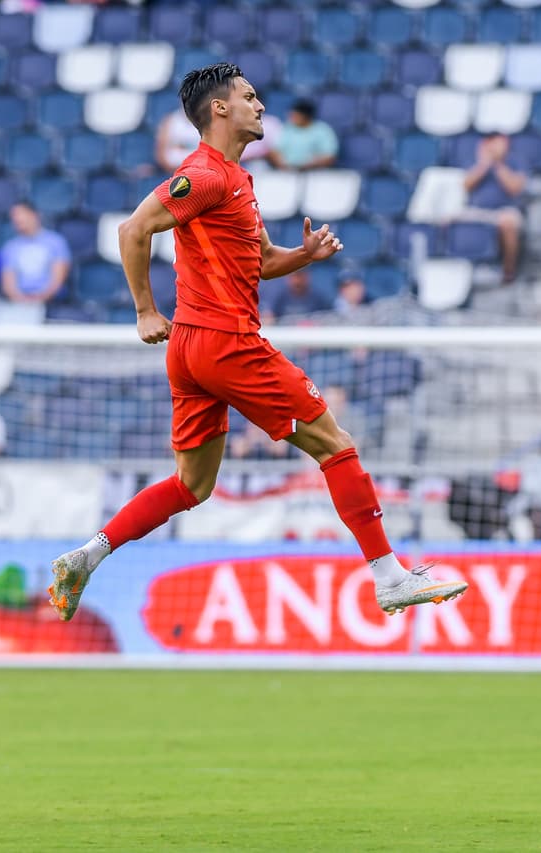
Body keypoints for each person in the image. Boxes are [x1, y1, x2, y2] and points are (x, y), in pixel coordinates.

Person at [48, 63, 466, 621]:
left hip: (193, 350)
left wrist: (304, 256)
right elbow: (133, 229)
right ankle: (389, 577)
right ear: (219, 108)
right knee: (334, 442)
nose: (261, 105)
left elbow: (264, 262)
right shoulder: (204, 175)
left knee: (192, 485)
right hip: (227, 342)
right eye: (249, 96)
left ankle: (86, 554)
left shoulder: (235, 179)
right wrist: (146, 309)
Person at [457, 133, 527, 283]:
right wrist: (485, 164)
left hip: (505, 210)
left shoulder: (515, 162)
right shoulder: (475, 161)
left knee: (508, 223)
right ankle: (459, 270)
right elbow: (465, 185)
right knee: (448, 221)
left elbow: (515, 187)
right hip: (477, 210)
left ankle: (508, 272)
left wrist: (497, 165)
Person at [0, 202, 70, 307]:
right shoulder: (11, 247)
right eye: (14, 216)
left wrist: (41, 298)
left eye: (21, 214)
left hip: (50, 302)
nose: (17, 219)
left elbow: (58, 280)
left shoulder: (56, 242)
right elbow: (8, 283)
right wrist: (21, 300)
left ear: (34, 215)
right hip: (19, 302)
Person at [267, 99, 338, 171]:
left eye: (296, 115)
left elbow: (329, 157)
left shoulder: (323, 130)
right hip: (286, 171)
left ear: (306, 116)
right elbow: (274, 151)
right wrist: (283, 165)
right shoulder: (286, 129)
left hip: (316, 172)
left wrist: (309, 165)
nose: (292, 118)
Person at [261, 268, 332, 324]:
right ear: (288, 278)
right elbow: (268, 316)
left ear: (307, 277)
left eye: (300, 276)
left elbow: (327, 317)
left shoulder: (318, 296)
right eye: (294, 277)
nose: (297, 281)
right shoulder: (279, 294)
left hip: (311, 336)